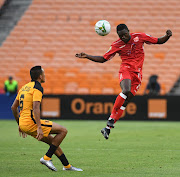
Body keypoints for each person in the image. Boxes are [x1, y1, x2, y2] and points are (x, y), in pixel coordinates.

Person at [75, 24, 172, 140]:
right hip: (125, 69)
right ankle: (111, 119)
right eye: (120, 36)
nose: (123, 37)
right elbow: (103, 59)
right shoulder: (117, 45)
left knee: (126, 101)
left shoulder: (140, 37)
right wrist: (87, 56)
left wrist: (167, 36)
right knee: (125, 90)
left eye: (125, 34)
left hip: (137, 74)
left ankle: (107, 128)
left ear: (129, 31)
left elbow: (159, 41)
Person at [11, 66, 83, 172]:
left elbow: (13, 107)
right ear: (40, 76)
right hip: (32, 122)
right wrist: (39, 127)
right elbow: (36, 107)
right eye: (44, 74)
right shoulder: (37, 87)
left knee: (53, 142)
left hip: (24, 123)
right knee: (63, 130)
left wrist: (19, 124)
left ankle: (67, 166)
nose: (45, 76)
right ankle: (46, 158)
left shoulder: (24, 87)